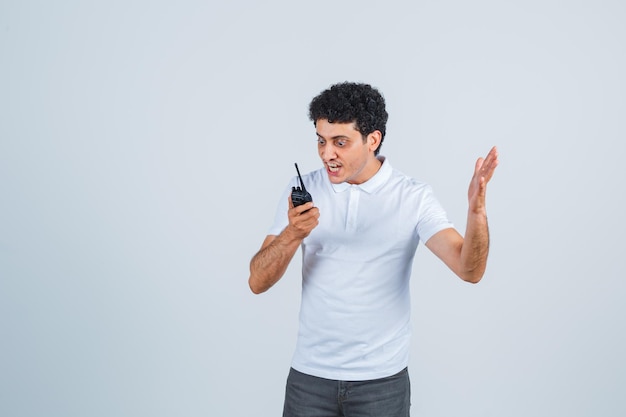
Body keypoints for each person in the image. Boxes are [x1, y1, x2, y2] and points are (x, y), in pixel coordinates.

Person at [248, 82, 498, 417]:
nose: (326, 154)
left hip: (382, 384)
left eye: (340, 143)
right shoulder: (302, 190)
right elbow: (257, 281)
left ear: (373, 140)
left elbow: (470, 270)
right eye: (321, 141)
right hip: (309, 379)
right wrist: (293, 234)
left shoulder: (413, 197)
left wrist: (476, 213)